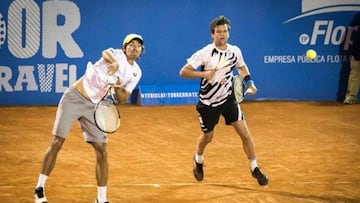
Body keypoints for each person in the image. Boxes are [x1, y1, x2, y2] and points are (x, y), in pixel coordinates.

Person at [34, 33, 144, 203]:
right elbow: (104, 53)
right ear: (124, 48)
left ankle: (101, 199)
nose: (135, 47)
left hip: (96, 106)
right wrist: (114, 64)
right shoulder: (116, 54)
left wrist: (117, 87)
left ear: (141, 51)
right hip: (75, 97)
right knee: (57, 141)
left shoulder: (136, 72)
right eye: (131, 44)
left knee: (102, 150)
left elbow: (122, 99)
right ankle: (39, 188)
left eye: (138, 45)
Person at [179, 16, 268, 186]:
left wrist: (250, 83)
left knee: (245, 134)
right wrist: (203, 74)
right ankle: (198, 159)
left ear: (228, 33)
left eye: (225, 31)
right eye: (218, 32)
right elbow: (183, 71)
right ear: (212, 35)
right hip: (208, 104)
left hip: (228, 99)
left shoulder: (235, 51)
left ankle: (254, 167)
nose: (222, 34)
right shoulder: (205, 53)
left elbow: (241, 67)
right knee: (207, 137)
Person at [344, 13, 360, 104]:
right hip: (357, 53)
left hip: (356, 53)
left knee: (354, 75)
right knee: (354, 75)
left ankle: (350, 97)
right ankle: (350, 97)